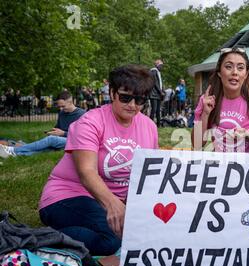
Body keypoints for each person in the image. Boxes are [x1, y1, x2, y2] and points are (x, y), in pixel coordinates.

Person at [38, 64, 158, 256]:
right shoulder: (90, 121)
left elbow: (147, 174)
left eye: (140, 99)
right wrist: (113, 204)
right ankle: (36, 239)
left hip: (109, 201)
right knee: (111, 239)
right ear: (112, 93)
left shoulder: (149, 127)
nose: (133, 105)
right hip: (67, 195)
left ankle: (75, 234)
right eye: (126, 97)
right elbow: (87, 172)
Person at [191, 47, 249, 153]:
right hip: (220, 167)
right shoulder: (207, 100)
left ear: (246, 74)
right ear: (219, 72)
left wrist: (247, 135)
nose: (235, 72)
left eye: (240, 68)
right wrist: (205, 113)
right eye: (228, 67)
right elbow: (197, 144)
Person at [0, 91, 85, 158]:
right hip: (61, 140)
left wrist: (63, 133)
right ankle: (16, 154)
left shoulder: (82, 114)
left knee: (51, 140)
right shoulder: (62, 113)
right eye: (59, 107)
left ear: (71, 102)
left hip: (74, 142)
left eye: (63, 106)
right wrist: (52, 131)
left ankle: (14, 150)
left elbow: (82, 136)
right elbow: (58, 127)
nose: (60, 109)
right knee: (45, 149)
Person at [149, 59, 164, 126]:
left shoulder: (158, 72)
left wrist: (162, 91)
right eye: (161, 65)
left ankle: (158, 124)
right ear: (157, 65)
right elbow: (155, 83)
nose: (162, 67)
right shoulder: (153, 71)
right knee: (154, 109)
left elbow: (160, 84)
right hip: (154, 94)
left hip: (158, 94)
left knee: (158, 110)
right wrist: (160, 92)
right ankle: (150, 124)